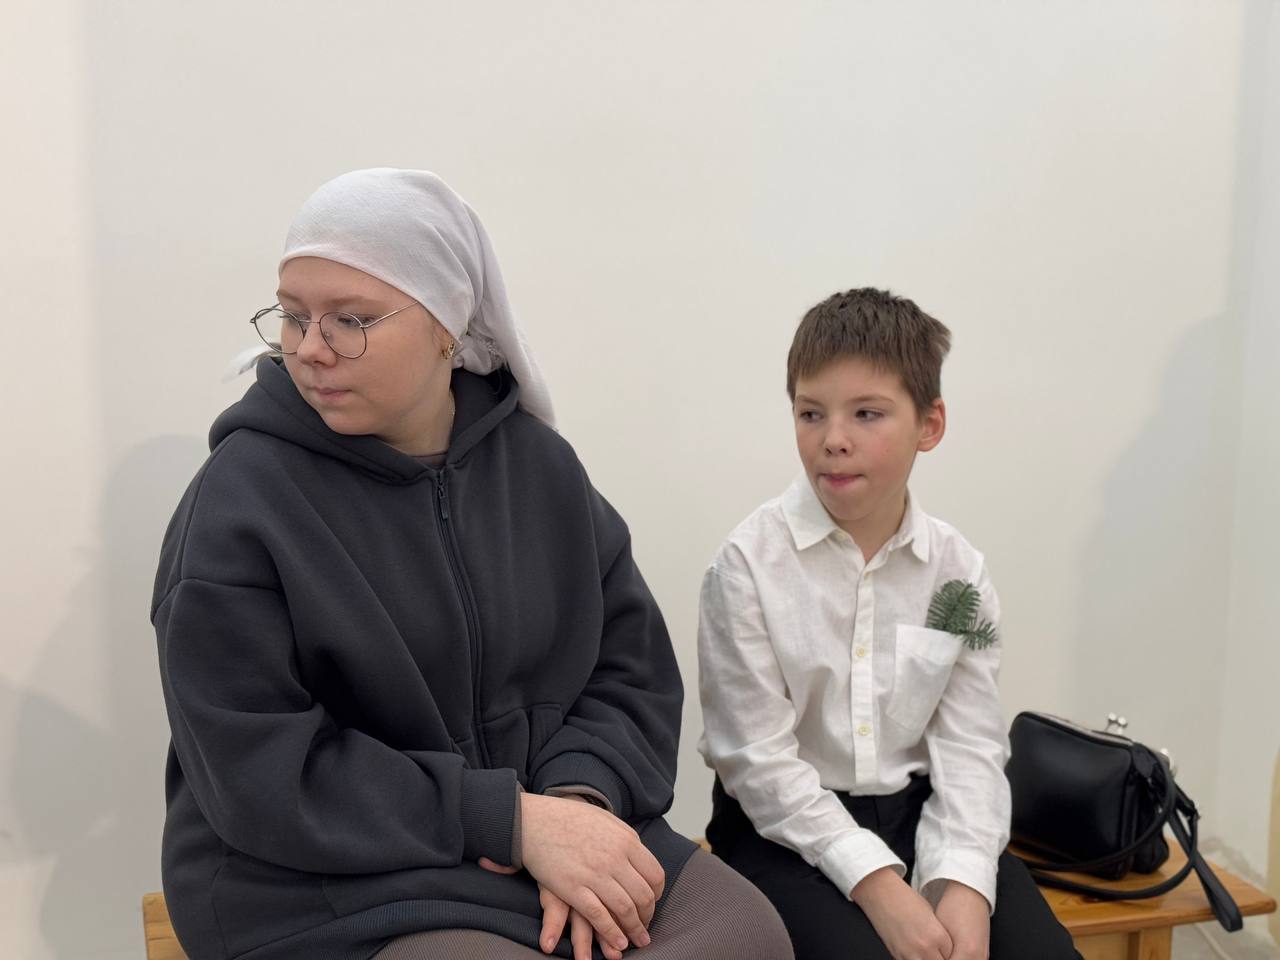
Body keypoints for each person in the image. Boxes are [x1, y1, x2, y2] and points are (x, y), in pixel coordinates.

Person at [152, 168, 792, 960]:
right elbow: (258, 768)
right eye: (292, 315)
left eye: (350, 319)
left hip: (549, 822)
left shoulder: (539, 469)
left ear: (446, 326)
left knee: (746, 936)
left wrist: (578, 803)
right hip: (322, 878)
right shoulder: (241, 501)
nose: (310, 348)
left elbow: (627, 671)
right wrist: (510, 822)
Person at [696, 289, 1081, 960]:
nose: (833, 439)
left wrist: (964, 881)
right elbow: (757, 761)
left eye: (866, 413)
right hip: (779, 829)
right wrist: (879, 886)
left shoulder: (959, 572)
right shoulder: (747, 566)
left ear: (929, 425)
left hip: (920, 813)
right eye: (811, 413)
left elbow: (969, 747)